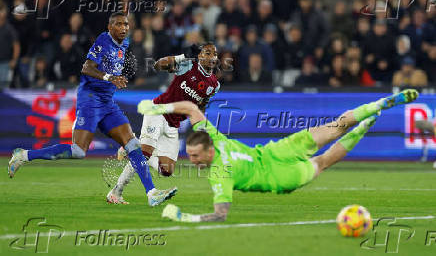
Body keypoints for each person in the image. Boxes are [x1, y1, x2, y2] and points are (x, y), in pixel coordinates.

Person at [136, 89, 418, 222]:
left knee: (324, 159)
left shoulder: (220, 174)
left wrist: (183, 217)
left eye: (196, 156)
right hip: (277, 155)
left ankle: (369, 121)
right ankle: (378, 106)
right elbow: (189, 107)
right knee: (334, 128)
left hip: (278, 172)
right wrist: (157, 108)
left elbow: (220, 215)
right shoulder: (214, 136)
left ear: (209, 150)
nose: (192, 161)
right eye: (190, 156)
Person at [8, 12, 176, 207]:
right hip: (90, 99)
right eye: (119, 24)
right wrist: (109, 78)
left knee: (132, 145)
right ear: (110, 26)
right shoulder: (103, 40)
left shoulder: (124, 44)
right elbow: (87, 68)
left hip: (107, 102)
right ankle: (23, 155)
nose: (123, 28)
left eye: (126, 24)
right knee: (79, 151)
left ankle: (152, 193)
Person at [106, 42, 221, 204]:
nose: (212, 57)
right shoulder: (188, 65)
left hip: (173, 124)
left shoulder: (215, 84)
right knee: (144, 154)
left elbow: (201, 104)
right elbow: (158, 65)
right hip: (158, 111)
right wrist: (181, 57)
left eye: (214, 54)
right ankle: (118, 192)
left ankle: (132, 146)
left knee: (166, 170)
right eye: (207, 53)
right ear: (200, 55)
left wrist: (200, 125)